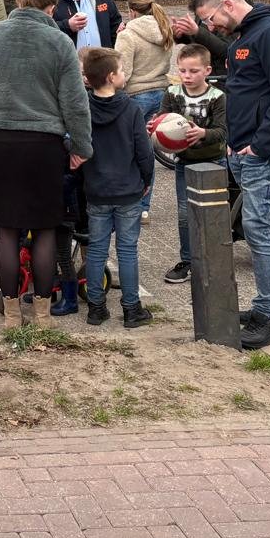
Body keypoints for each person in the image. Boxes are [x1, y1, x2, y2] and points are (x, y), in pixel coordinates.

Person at [0, 0, 93, 329]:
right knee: (45, 228)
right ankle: (45, 314)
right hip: (43, 144)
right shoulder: (59, 41)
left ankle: (12, 312)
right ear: (50, 8)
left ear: (18, 3)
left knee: (5, 228)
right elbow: (75, 103)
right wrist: (82, 146)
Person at [190, 0, 270, 350]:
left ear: (226, 5)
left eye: (209, 19)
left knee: (259, 229)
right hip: (245, 149)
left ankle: (267, 316)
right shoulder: (246, 36)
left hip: (265, 152)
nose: (210, 29)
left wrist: (260, 146)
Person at [77, 47, 155, 328]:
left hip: (96, 188)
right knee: (127, 250)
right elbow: (143, 151)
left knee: (97, 249)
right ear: (112, 77)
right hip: (128, 189)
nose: (124, 75)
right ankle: (132, 308)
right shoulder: (131, 108)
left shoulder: (83, 107)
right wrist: (147, 180)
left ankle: (96, 307)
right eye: (121, 71)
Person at [159, 44, 228, 284]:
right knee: (185, 214)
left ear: (207, 70)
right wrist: (154, 129)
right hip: (185, 162)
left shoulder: (217, 97)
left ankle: (215, 259)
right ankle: (188, 260)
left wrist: (203, 133)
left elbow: (222, 131)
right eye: (183, 71)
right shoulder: (172, 93)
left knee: (214, 214)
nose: (187, 76)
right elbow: (162, 120)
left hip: (214, 162)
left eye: (193, 71)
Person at [117, 0, 177, 220]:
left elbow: (124, 72)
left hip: (135, 96)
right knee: (148, 152)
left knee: (131, 153)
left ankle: (131, 204)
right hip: (160, 93)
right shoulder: (164, 28)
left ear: (131, 10)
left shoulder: (128, 34)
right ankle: (144, 206)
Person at [167, 0, 233, 86]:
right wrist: (183, 35)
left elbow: (228, 50)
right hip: (212, 78)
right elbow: (203, 42)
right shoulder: (201, 0)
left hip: (224, 80)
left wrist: (197, 31)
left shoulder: (222, 1)